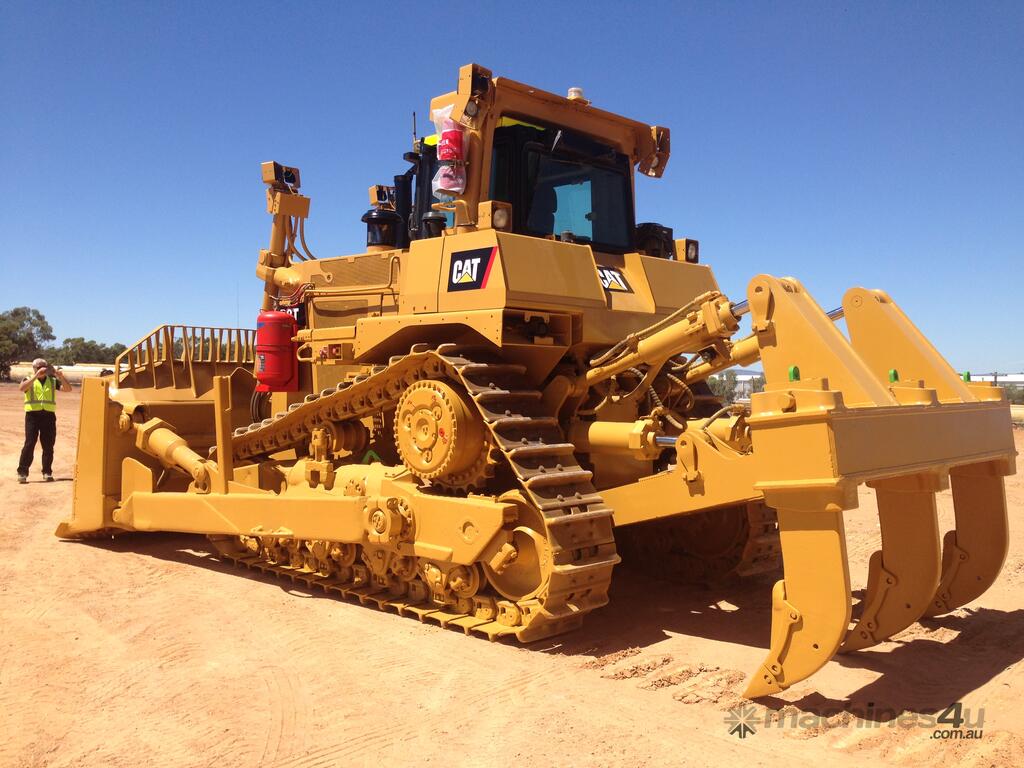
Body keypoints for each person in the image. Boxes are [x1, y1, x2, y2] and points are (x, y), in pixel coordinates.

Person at [17, 358, 72, 483]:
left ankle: (47, 472)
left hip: (48, 416)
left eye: (44, 367)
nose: (42, 369)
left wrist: (61, 377)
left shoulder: (52, 381)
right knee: (30, 443)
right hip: (32, 416)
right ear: (34, 368)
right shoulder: (28, 379)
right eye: (39, 367)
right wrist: (36, 376)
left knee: (48, 445)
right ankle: (22, 472)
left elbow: (68, 389)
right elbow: (22, 388)